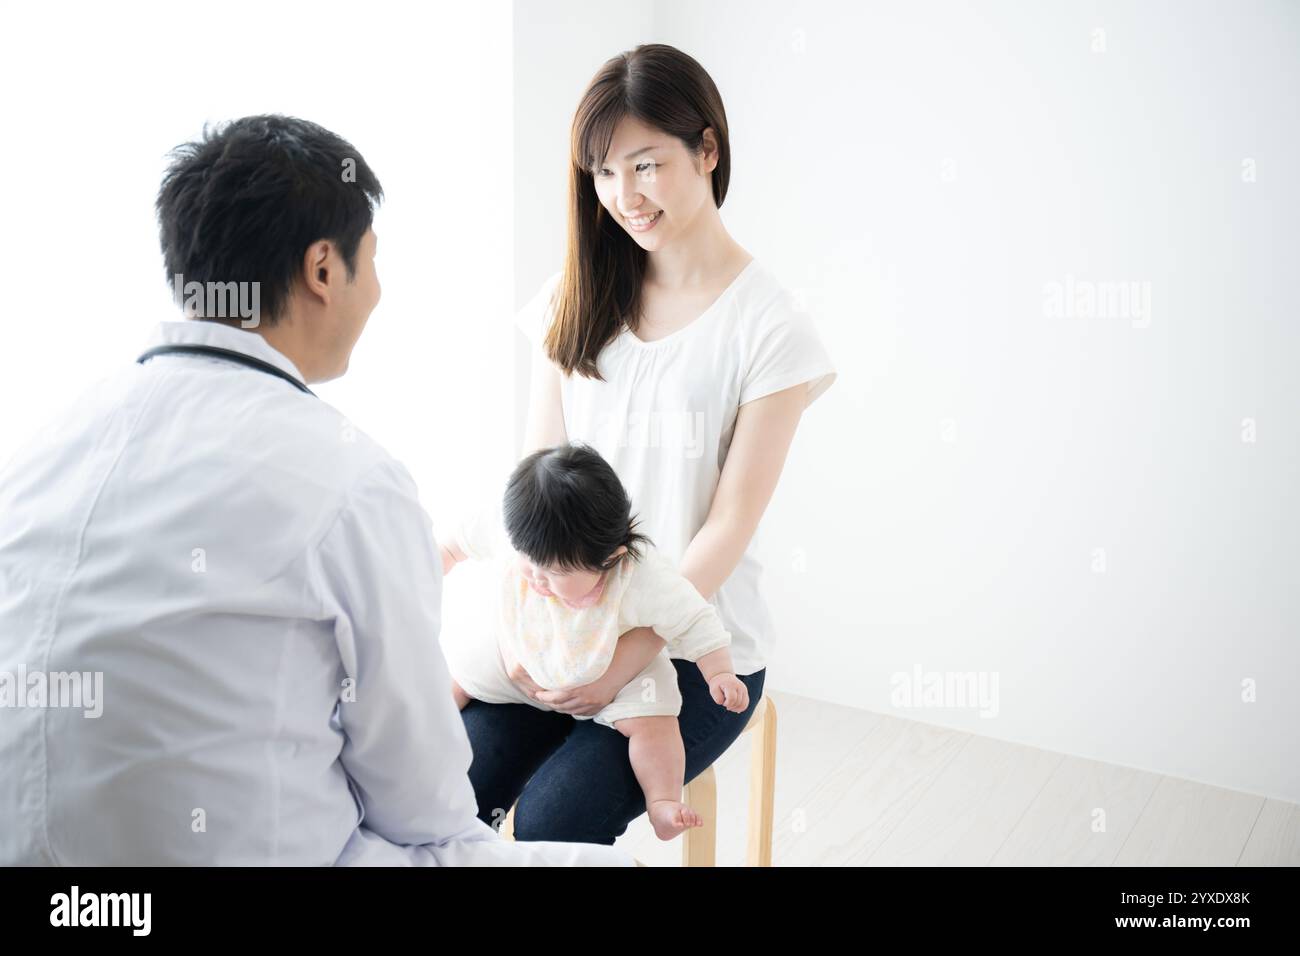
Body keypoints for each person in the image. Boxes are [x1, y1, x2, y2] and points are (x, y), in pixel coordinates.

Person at [0, 114, 632, 866]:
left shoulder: (47, 442)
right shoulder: (353, 483)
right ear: (324, 269)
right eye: (372, 260)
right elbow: (422, 807)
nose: (377, 289)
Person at [462, 44, 838, 845]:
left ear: (708, 148)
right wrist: (518, 622)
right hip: (561, 621)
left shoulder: (770, 327)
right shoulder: (576, 296)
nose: (623, 196)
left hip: (695, 648)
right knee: (453, 787)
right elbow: (536, 476)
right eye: (602, 173)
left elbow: (727, 526)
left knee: (557, 822)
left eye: (645, 165)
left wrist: (628, 653)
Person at [442, 443, 750, 840]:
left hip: (610, 661)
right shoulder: (518, 528)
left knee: (653, 721)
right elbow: (454, 541)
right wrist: (433, 565)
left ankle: (663, 800)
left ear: (610, 558)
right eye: (528, 561)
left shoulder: (640, 577)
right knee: (460, 668)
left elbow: (694, 619)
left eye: (553, 572)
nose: (536, 579)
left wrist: (720, 671)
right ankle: (423, 732)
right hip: (524, 646)